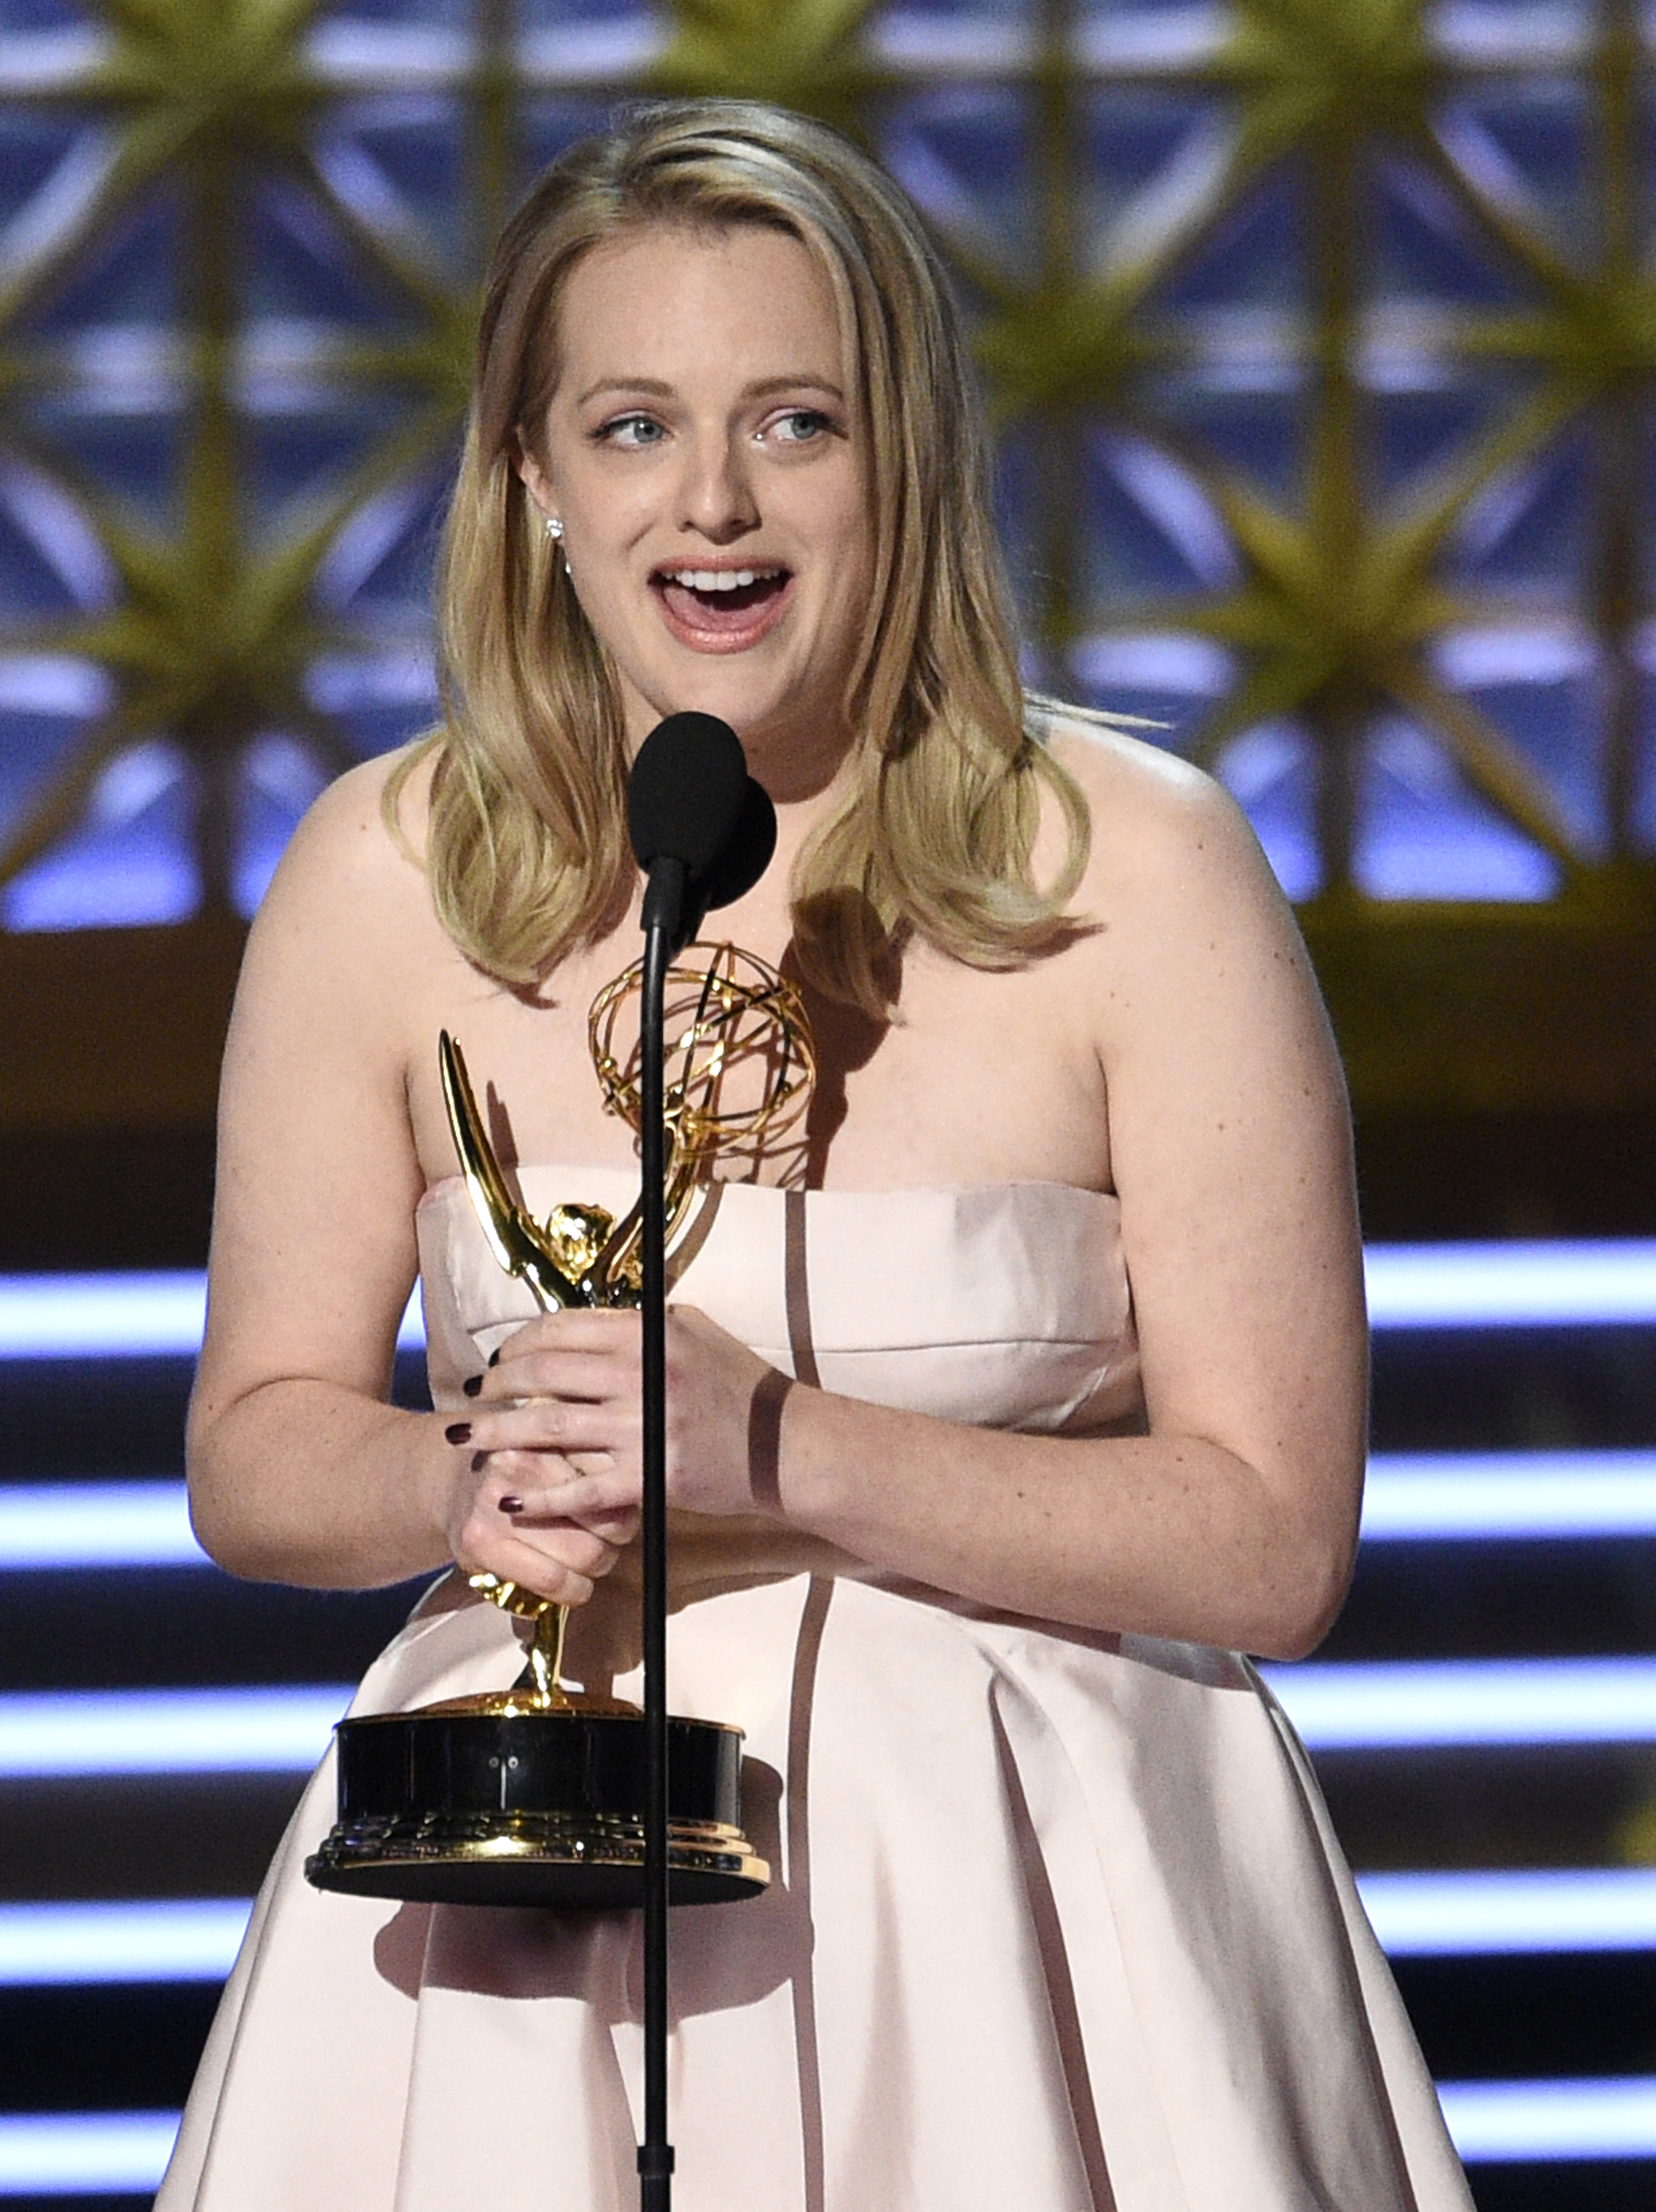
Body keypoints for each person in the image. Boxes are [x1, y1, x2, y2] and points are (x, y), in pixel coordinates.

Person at [158, 99, 1472, 2212]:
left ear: (905, 464)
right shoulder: (382, 873)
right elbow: (253, 1447)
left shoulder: (1138, 870)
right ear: (531, 477)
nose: (712, 503)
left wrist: (776, 1448)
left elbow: (1271, 1542)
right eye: (632, 427)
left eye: (795, 423)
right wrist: (457, 1479)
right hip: (522, 1929)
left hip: (1042, 1925)